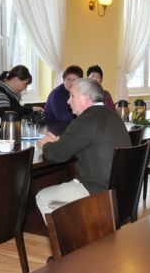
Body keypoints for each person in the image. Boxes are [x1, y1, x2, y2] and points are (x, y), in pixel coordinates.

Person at [35, 78, 131, 217]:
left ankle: (69, 231)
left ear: (86, 98)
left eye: (72, 96)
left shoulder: (85, 120)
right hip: (122, 189)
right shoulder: (113, 115)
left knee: (42, 197)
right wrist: (60, 142)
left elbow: (56, 155)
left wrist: (46, 144)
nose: (68, 101)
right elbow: (87, 141)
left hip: (98, 190)